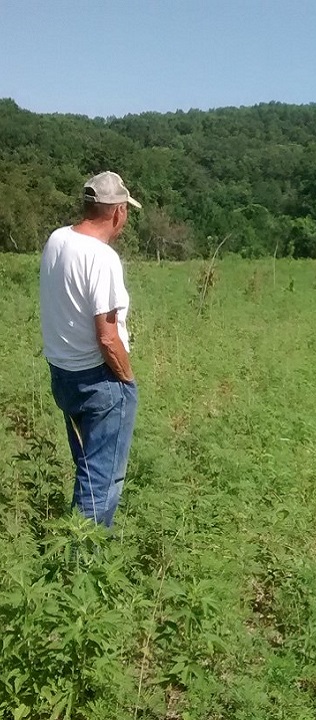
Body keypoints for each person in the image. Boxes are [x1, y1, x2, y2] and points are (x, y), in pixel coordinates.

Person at [39, 171, 141, 528]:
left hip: (64, 375)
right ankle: (82, 564)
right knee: (101, 482)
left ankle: (74, 549)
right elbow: (108, 336)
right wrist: (127, 381)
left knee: (87, 470)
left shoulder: (57, 240)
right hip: (100, 382)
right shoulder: (102, 258)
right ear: (117, 212)